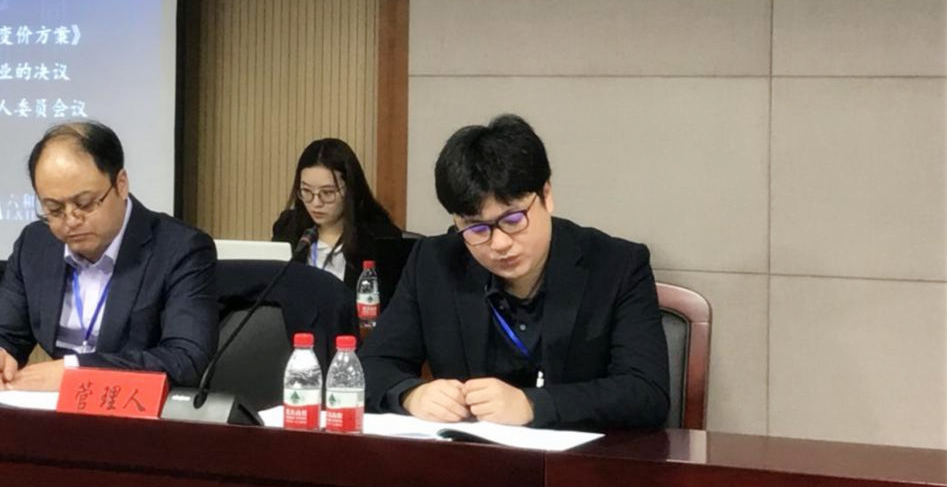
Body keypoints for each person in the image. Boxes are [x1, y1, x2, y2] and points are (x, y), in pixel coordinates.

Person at [360, 114, 669, 429]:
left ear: (546, 195)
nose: (500, 244)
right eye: (476, 228)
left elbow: (646, 392)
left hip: (580, 455)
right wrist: (410, 394)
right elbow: (370, 365)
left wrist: (534, 405)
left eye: (512, 220)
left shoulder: (617, 266)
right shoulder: (433, 263)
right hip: (471, 454)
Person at [0, 121, 218, 391]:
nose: (71, 220)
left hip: (134, 411)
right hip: (52, 410)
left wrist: (76, 372)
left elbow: (185, 360)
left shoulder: (180, 249)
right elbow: (2, 332)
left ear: (120, 184)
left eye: (84, 204)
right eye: (54, 209)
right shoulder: (36, 244)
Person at [271, 138, 402, 290]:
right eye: (306, 191)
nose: (316, 203)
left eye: (327, 193)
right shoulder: (287, 227)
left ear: (350, 189)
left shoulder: (380, 238)